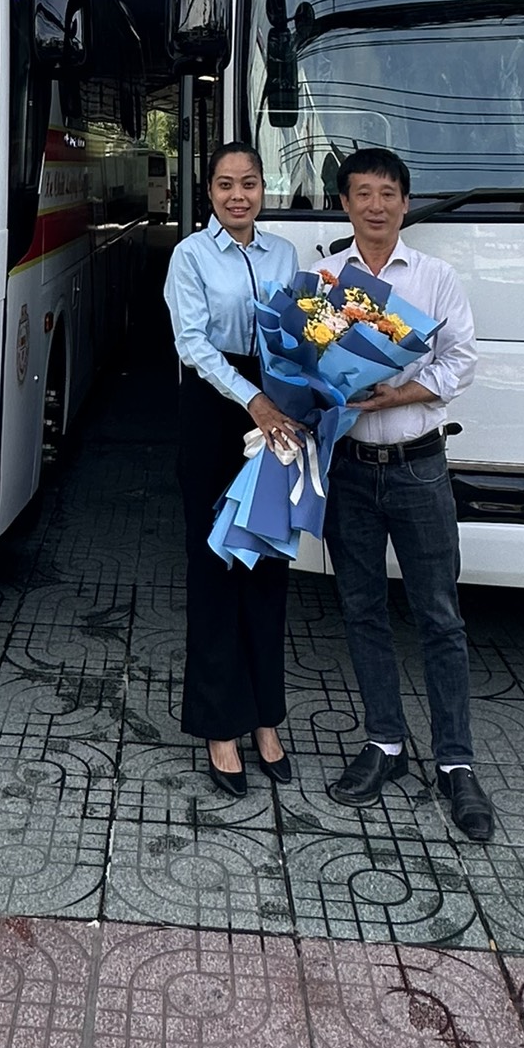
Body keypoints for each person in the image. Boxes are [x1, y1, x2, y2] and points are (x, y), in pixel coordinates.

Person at [313, 145, 494, 843]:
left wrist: (400, 393)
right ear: (345, 203)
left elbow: (461, 361)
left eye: (388, 194)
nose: (376, 206)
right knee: (361, 611)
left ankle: (455, 762)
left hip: (419, 466)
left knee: (439, 616)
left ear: (405, 203)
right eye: (363, 193)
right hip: (351, 470)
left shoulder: (435, 277)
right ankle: (384, 743)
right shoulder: (327, 279)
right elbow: (309, 365)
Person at [163, 141, 302, 796]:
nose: (237, 195)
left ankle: (266, 719)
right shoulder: (190, 256)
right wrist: (254, 401)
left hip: (277, 410)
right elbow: (192, 344)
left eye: (248, 183)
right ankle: (221, 726)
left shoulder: (285, 255)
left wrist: (303, 395)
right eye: (225, 184)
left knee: (268, 562)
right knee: (216, 564)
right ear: (210, 191)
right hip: (215, 411)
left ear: (263, 188)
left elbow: (297, 336)